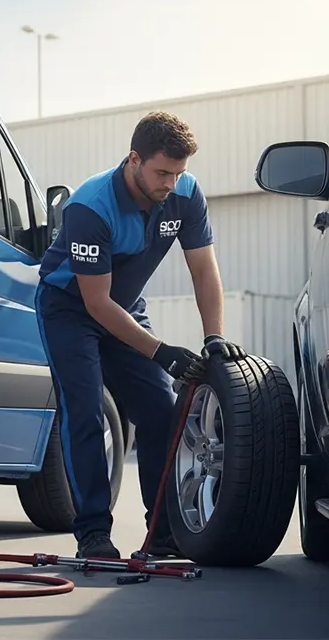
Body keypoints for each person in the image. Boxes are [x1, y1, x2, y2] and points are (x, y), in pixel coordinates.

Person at [34, 111, 247, 559]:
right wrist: (161, 351)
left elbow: (204, 269)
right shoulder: (91, 207)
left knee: (161, 411)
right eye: (162, 172)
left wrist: (213, 336)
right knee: (87, 411)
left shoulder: (186, 194)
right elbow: (96, 303)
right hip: (70, 310)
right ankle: (92, 533)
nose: (171, 183)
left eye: (179, 173)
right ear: (134, 160)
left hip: (124, 307)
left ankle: (163, 533)